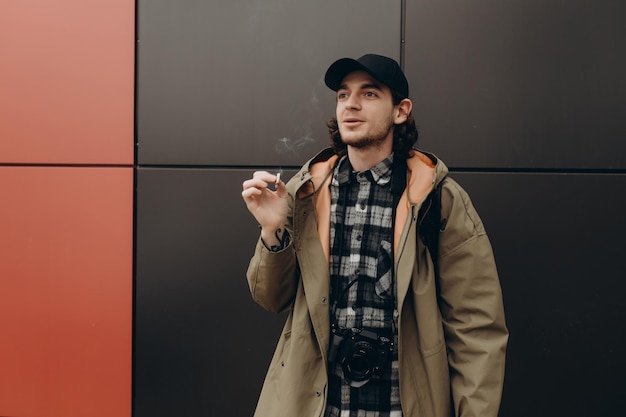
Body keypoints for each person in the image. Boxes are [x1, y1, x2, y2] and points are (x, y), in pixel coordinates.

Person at [241, 53, 508, 417]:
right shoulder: (306, 193)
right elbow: (271, 298)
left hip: (399, 406)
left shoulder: (436, 198)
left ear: (401, 111)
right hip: (318, 405)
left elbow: (476, 327)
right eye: (343, 95)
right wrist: (272, 230)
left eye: (369, 94)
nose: (351, 104)